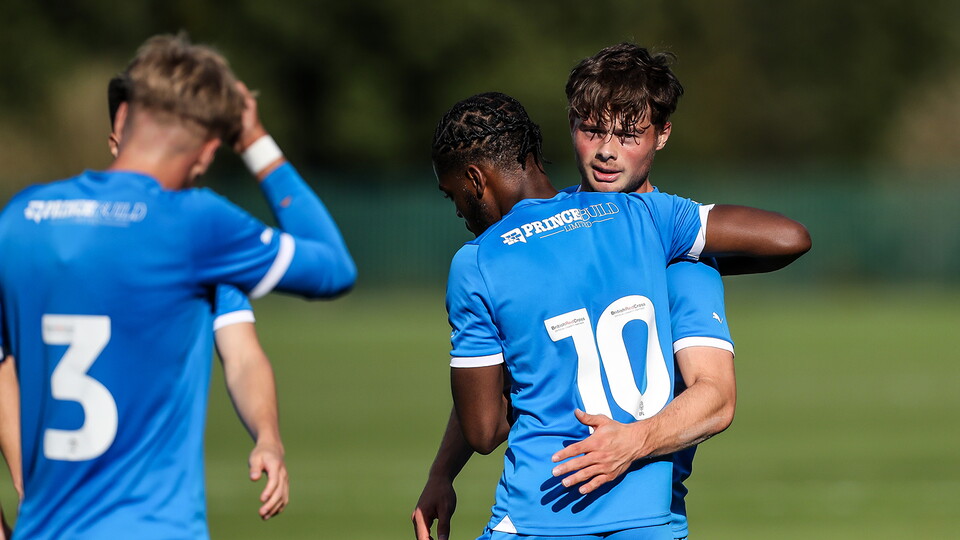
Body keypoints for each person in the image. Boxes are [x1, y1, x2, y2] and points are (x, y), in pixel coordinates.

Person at [413, 45, 809, 540]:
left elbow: (717, 399)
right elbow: (511, 373)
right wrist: (443, 472)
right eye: (591, 129)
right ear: (570, 125)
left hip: (628, 512)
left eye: (627, 135)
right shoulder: (560, 219)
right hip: (600, 511)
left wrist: (634, 441)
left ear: (662, 135)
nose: (606, 150)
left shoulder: (682, 261)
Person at [0, 33, 355, 539]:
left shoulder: (20, 219)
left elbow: (3, 364)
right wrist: (254, 141)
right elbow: (334, 267)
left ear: (123, 119)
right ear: (208, 153)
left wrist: (269, 435)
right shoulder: (194, 226)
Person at [109, 73, 288, 520]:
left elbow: (243, 356)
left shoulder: (195, 247)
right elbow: (332, 267)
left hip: (154, 511)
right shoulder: (49, 241)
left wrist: (267, 436)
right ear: (116, 141)